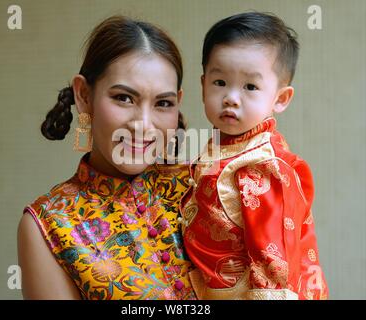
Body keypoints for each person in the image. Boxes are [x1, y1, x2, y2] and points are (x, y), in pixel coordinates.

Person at [18, 15, 197, 300]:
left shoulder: (206, 188)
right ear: (84, 95)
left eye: (163, 103)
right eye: (124, 98)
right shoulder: (50, 223)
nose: (144, 124)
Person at [180, 12, 328, 300]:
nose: (231, 97)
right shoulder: (223, 146)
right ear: (203, 84)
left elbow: (273, 257)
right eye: (220, 82)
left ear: (280, 98)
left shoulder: (262, 166)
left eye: (250, 87)